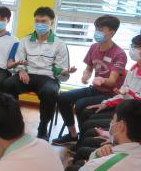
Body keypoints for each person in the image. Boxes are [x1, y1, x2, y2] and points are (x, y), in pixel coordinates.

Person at [0, 6, 74, 139]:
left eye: (43, 21)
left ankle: (43, 127)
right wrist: (21, 70)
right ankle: (14, 121)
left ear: (51, 22)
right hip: (28, 74)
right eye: (37, 21)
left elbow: (60, 70)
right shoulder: (25, 40)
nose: (40, 24)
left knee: (49, 92)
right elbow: (19, 60)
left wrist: (64, 72)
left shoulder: (60, 44)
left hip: (48, 77)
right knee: (8, 84)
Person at [74, 34, 141, 141]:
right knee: (87, 112)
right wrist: (106, 103)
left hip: (134, 118)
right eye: (132, 46)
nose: (132, 49)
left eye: (136, 47)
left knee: (89, 126)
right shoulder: (135, 67)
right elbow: (123, 93)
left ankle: (89, 145)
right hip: (126, 109)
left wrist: (127, 93)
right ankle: (79, 143)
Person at [52, 15, 127, 146]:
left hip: (110, 94)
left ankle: (83, 141)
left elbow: (112, 81)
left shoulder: (119, 54)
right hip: (95, 89)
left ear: (112, 32)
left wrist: (101, 80)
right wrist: (85, 76)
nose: (97, 32)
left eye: (101, 30)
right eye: (96, 29)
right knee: (63, 98)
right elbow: (89, 68)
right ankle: (73, 135)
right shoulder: (94, 47)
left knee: (81, 105)